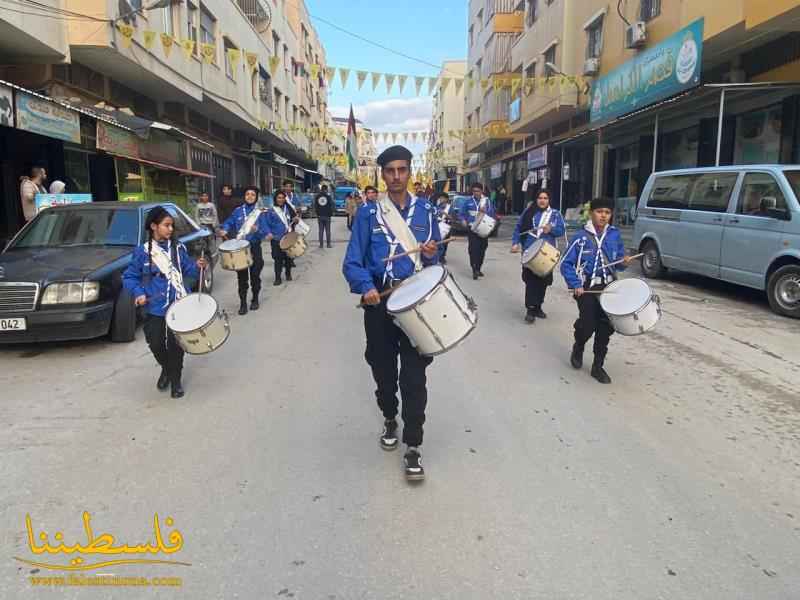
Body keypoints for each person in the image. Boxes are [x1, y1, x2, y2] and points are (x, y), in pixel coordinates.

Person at [342, 145, 441, 482]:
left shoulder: (427, 211)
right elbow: (353, 261)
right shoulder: (369, 215)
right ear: (381, 175)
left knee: (414, 377)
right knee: (383, 371)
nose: (397, 177)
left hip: (416, 303)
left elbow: (434, 263)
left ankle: (413, 446)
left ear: (410, 172)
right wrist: (365, 286)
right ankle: (389, 416)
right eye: (390, 171)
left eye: (402, 170)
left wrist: (428, 256)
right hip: (380, 303)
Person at [123, 206, 208, 398]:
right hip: (154, 308)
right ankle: (166, 369)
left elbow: (189, 270)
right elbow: (129, 277)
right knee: (156, 343)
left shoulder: (178, 249)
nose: (171, 229)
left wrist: (198, 266)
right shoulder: (142, 252)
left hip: (179, 303)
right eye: (166, 225)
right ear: (154, 226)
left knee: (176, 346)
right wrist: (138, 293)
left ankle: (176, 381)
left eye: (172, 226)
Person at [560, 197, 632, 384]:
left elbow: (618, 264)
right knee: (588, 325)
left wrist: (624, 262)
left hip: (609, 287)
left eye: (607, 213)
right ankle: (579, 344)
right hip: (587, 288)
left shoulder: (614, 235)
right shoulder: (580, 237)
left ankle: (597, 366)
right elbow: (566, 263)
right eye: (600, 212)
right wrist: (575, 284)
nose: (603, 216)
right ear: (592, 213)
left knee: (605, 327)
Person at [511, 190, 566, 323]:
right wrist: (515, 243)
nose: (542, 200)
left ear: (549, 200)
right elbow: (518, 228)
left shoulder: (555, 214)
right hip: (530, 251)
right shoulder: (529, 212)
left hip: (547, 253)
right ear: (536, 199)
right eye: (540, 198)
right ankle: (530, 309)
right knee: (530, 281)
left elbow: (561, 230)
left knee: (543, 282)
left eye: (545, 198)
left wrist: (551, 230)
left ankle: (538, 306)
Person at [218, 186, 270, 315]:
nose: (250, 196)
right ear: (244, 196)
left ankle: (255, 299)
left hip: (254, 248)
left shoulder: (260, 212)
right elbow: (229, 222)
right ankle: (242, 303)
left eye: (253, 194)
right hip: (240, 249)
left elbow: (265, 231)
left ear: (256, 197)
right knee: (242, 278)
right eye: (247, 194)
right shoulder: (237, 211)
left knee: (255, 276)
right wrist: (224, 229)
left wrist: (257, 230)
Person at [459, 182, 496, 280]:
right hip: (472, 229)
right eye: (474, 191)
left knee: (482, 249)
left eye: (478, 191)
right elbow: (462, 213)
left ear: (481, 191)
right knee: (473, 249)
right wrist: (463, 220)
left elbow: (493, 213)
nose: (476, 193)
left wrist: (485, 211)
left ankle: (478, 267)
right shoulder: (468, 201)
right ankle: (474, 268)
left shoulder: (486, 201)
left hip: (483, 229)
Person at [265, 190, 299, 285]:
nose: (281, 199)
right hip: (276, 239)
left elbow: (296, 220)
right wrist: (268, 233)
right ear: (275, 199)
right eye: (279, 198)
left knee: (288, 257)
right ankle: (278, 278)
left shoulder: (288, 208)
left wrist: (296, 220)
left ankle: (288, 273)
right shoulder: (271, 211)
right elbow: (267, 224)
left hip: (288, 237)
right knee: (277, 259)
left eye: (283, 198)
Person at [433, 192, 452, 265]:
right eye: (440, 198)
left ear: (446, 199)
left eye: (442, 198)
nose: (441, 199)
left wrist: (444, 213)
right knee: (437, 242)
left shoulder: (450, 207)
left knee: (444, 243)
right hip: (437, 226)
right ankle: (437, 256)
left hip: (446, 227)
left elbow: (453, 218)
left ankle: (442, 256)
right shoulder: (437, 207)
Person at [314, 184, 333, 248]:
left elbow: (315, 206)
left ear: (321, 189)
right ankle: (328, 244)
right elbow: (331, 206)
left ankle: (321, 245)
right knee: (328, 230)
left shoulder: (317, 197)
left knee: (321, 231)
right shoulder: (328, 197)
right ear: (326, 189)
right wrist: (330, 214)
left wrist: (317, 213)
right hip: (327, 216)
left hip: (320, 216)